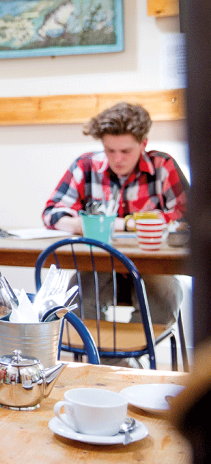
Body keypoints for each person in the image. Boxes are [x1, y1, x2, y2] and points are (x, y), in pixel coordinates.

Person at [42, 101, 189, 328]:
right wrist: (83, 224)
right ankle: (110, 362)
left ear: (143, 144)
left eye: (126, 151)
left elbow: (187, 216)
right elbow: (52, 213)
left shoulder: (162, 165)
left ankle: (132, 357)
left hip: (151, 265)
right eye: (110, 150)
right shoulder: (86, 166)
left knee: (165, 299)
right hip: (98, 264)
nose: (118, 159)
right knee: (75, 300)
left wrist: (124, 224)